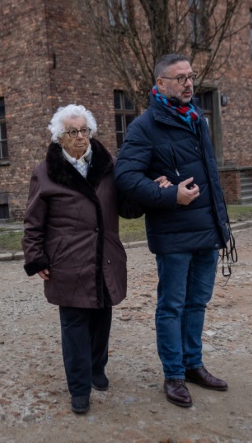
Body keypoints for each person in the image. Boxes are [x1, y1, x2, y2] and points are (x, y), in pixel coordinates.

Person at [22, 104, 170, 415]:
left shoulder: (109, 166)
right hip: (67, 261)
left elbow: (127, 208)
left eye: (84, 130)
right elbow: (33, 221)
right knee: (75, 324)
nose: (80, 137)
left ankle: (97, 368)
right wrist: (36, 257)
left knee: (102, 316)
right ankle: (78, 387)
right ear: (59, 138)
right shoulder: (45, 172)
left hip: (105, 257)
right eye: (72, 132)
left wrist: (150, 189)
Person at [115, 54, 231, 409]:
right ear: (160, 84)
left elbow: (211, 174)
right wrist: (167, 194)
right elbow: (125, 178)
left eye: (191, 77)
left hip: (207, 229)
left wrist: (221, 225)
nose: (188, 83)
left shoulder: (199, 120)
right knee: (172, 306)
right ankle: (174, 374)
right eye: (179, 78)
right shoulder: (144, 127)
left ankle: (194, 365)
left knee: (198, 303)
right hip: (174, 235)